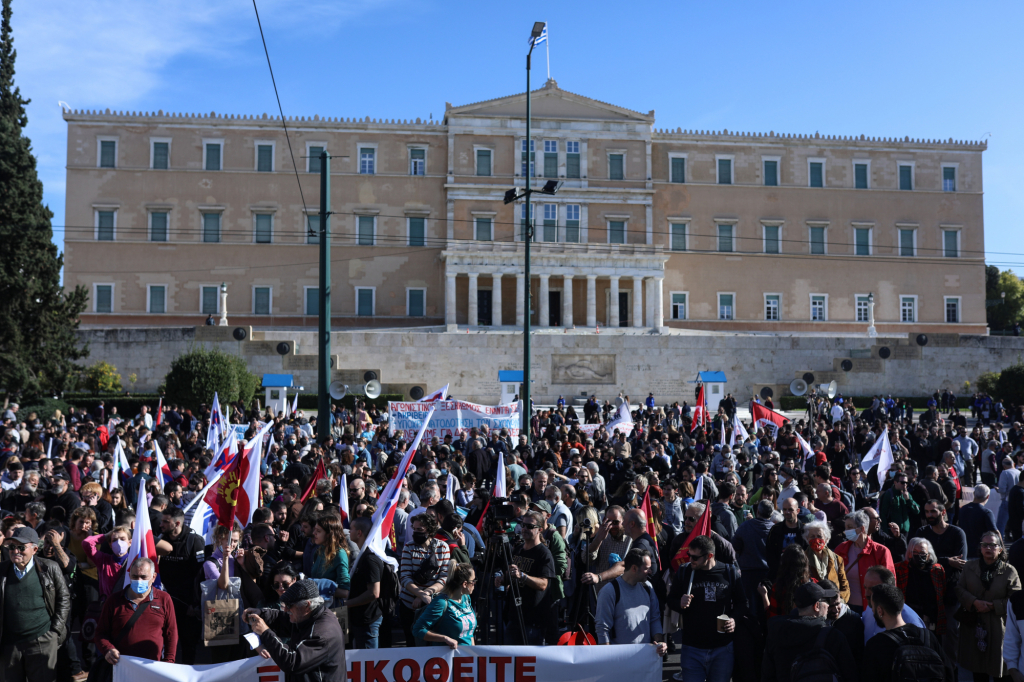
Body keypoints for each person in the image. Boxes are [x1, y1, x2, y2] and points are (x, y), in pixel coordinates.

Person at [668, 535, 747, 682]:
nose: (690, 559)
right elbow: (670, 600)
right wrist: (680, 603)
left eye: (695, 557)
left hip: (722, 649)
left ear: (709, 556)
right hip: (692, 648)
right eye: (689, 555)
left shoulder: (729, 572)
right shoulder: (685, 571)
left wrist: (734, 619)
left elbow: (742, 603)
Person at [0, 526, 71, 682]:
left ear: (34, 549)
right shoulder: (2, 570)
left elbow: (64, 598)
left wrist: (55, 632)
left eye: (21, 547)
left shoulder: (49, 568)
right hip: (10, 644)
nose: (15, 551)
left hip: (42, 640)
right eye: (12, 547)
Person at [245, 579, 346, 682]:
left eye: (289, 605)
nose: (285, 609)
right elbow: (282, 619)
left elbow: (292, 662)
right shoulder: (309, 615)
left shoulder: (322, 633)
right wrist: (261, 613)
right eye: (285, 604)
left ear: (307, 605)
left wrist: (265, 632)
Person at [955, 530, 1022, 682]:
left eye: (993, 545)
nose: (988, 548)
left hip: (999, 626)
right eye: (984, 545)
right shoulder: (969, 567)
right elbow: (959, 589)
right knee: (978, 670)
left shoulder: (1009, 571)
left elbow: (1016, 599)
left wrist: (993, 606)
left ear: (1000, 549)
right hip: (974, 624)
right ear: (980, 548)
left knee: (1000, 669)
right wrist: (974, 602)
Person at [761, 581, 857, 682]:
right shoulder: (833, 637)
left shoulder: (777, 633)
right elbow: (850, 675)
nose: (828, 605)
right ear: (817, 606)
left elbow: (767, 675)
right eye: (826, 601)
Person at [95, 557, 177, 668]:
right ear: (129, 576)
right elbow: (100, 633)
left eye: (143, 577)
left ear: (153, 577)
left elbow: (171, 634)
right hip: (121, 667)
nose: (139, 580)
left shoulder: (164, 599)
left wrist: (169, 662)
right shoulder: (114, 600)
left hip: (152, 667)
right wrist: (108, 649)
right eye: (135, 576)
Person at [862, 583, 954, 682]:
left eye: (873, 608)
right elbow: (949, 674)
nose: (873, 611)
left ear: (880, 611)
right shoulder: (927, 636)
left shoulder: (876, 645)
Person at [494, 510, 555, 645]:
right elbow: (512, 573)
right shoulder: (519, 549)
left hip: (532, 620)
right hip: (514, 616)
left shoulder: (544, 553)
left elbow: (543, 584)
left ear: (539, 529)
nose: (524, 529)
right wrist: (503, 579)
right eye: (523, 525)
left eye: (530, 526)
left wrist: (523, 576)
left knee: (529, 658)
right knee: (510, 656)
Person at [154, 506, 204, 664]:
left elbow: (200, 576)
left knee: (188, 644)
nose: (161, 524)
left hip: (187, 605)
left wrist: (195, 604)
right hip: (164, 602)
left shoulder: (194, 541)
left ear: (177, 523)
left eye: (165, 521)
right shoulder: (160, 539)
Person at [595, 548, 667, 652]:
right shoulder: (609, 591)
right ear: (634, 568)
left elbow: (654, 618)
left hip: (644, 655)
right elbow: (602, 628)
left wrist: (660, 642)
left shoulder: (648, 587)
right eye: (646, 569)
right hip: (619, 657)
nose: (650, 571)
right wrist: (606, 655)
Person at [399, 513, 450, 647]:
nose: (416, 532)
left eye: (420, 529)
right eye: (414, 529)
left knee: (431, 643)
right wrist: (420, 594)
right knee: (412, 643)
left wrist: (425, 594)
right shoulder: (409, 547)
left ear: (430, 530)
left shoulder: (442, 547)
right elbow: (405, 577)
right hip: (409, 604)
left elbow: (444, 577)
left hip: (432, 603)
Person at [835, 510, 894, 613]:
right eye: (845, 527)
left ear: (862, 529)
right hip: (845, 607)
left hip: (872, 608)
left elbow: (890, 584)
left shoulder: (881, 551)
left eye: (849, 527)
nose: (846, 531)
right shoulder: (841, 549)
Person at [412, 563, 477, 647]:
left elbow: (470, 633)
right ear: (464, 584)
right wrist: (445, 638)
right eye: (473, 581)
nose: (475, 583)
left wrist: (473, 651)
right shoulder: (441, 602)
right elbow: (418, 629)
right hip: (447, 654)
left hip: (466, 654)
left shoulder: (466, 598)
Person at [345, 517, 384, 649]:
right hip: (359, 618)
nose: (349, 531)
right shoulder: (362, 556)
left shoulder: (370, 559)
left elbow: (374, 593)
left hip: (368, 620)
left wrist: (347, 604)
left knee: (369, 659)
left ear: (359, 533)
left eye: (351, 528)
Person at [895, 537, 946, 634]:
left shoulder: (937, 570)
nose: (919, 555)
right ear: (909, 553)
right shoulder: (900, 569)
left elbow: (942, 592)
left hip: (931, 617)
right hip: (908, 616)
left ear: (928, 555)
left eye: (922, 553)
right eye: (915, 552)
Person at [732, 499, 774, 616]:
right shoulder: (775, 529)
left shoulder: (745, 526)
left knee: (748, 610)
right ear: (771, 514)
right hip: (769, 575)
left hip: (748, 575)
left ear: (758, 512)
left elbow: (735, 546)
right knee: (767, 609)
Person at [804, 520, 851, 604]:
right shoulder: (803, 559)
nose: (816, 540)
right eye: (812, 536)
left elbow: (845, 586)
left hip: (834, 604)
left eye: (819, 536)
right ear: (807, 539)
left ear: (826, 539)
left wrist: (839, 601)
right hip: (814, 605)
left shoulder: (837, 559)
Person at [766, 497, 807, 580]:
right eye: (784, 509)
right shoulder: (775, 529)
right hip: (779, 575)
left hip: (800, 575)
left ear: (798, 511)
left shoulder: (805, 529)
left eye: (790, 509)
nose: (787, 512)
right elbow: (769, 552)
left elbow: (808, 552)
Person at [960, 484, 998, 559]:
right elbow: (994, 532)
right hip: (982, 551)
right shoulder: (986, 512)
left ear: (974, 494)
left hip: (965, 550)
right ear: (988, 496)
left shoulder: (962, 509)